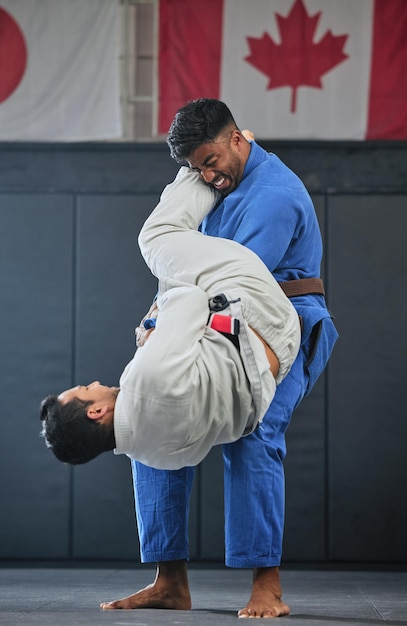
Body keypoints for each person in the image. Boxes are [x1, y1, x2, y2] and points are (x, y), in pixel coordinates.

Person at [99, 99, 338, 618]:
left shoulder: (273, 196)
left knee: (255, 430)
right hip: (213, 313)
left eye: (210, 160)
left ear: (236, 140)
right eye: (194, 169)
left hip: (283, 321)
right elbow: (189, 269)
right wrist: (157, 323)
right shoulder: (213, 177)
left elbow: (236, 283)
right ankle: (169, 580)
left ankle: (267, 585)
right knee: (147, 419)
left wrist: (166, 325)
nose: (207, 175)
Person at [40, 165, 300, 470]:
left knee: (172, 279)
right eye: (86, 389)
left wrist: (158, 332)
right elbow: (190, 300)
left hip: (276, 360)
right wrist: (155, 324)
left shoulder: (155, 456)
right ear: (95, 412)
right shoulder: (141, 382)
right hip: (264, 317)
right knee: (156, 241)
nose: (94, 383)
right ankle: (205, 165)